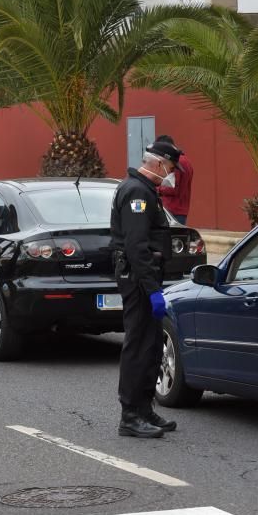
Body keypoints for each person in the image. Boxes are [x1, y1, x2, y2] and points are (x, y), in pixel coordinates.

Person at [109, 141, 180, 438]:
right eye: (172, 168)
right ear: (158, 163)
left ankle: (144, 407)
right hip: (138, 279)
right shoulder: (137, 192)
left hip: (145, 278)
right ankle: (130, 415)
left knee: (151, 346)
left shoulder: (145, 190)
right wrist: (152, 290)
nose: (173, 173)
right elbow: (137, 247)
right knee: (138, 346)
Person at [155, 135, 193, 225]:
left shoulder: (177, 162)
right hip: (180, 210)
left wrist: (156, 189)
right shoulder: (187, 161)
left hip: (172, 211)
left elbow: (172, 188)